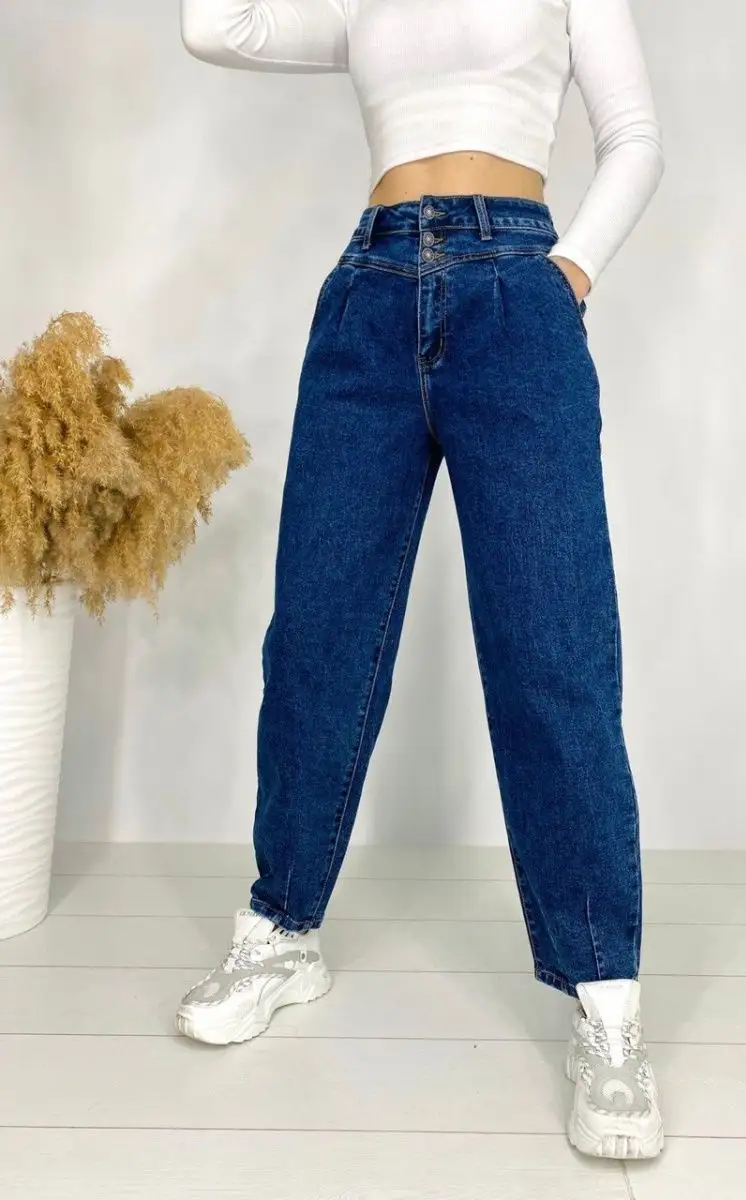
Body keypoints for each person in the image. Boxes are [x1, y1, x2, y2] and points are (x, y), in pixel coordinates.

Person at [175, 0, 665, 1160]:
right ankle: (282, 929)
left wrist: (567, 273)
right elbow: (214, 27)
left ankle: (607, 1006)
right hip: (370, 291)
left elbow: (635, 135)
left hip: (518, 292)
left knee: (553, 651)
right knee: (318, 637)